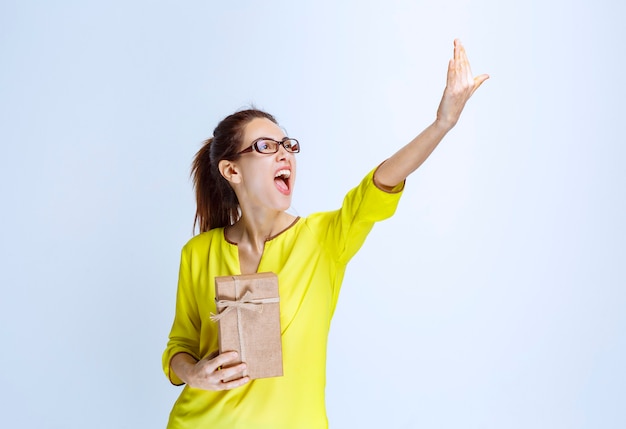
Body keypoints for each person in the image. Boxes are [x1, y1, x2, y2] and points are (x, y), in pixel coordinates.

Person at [162, 39, 488, 428]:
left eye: (288, 145)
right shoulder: (198, 252)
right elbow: (178, 348)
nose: (284, 154)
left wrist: (442, 124)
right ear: (232, 171)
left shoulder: (322, 239)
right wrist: (195, 374)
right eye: (266, 146)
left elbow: (380, 184)